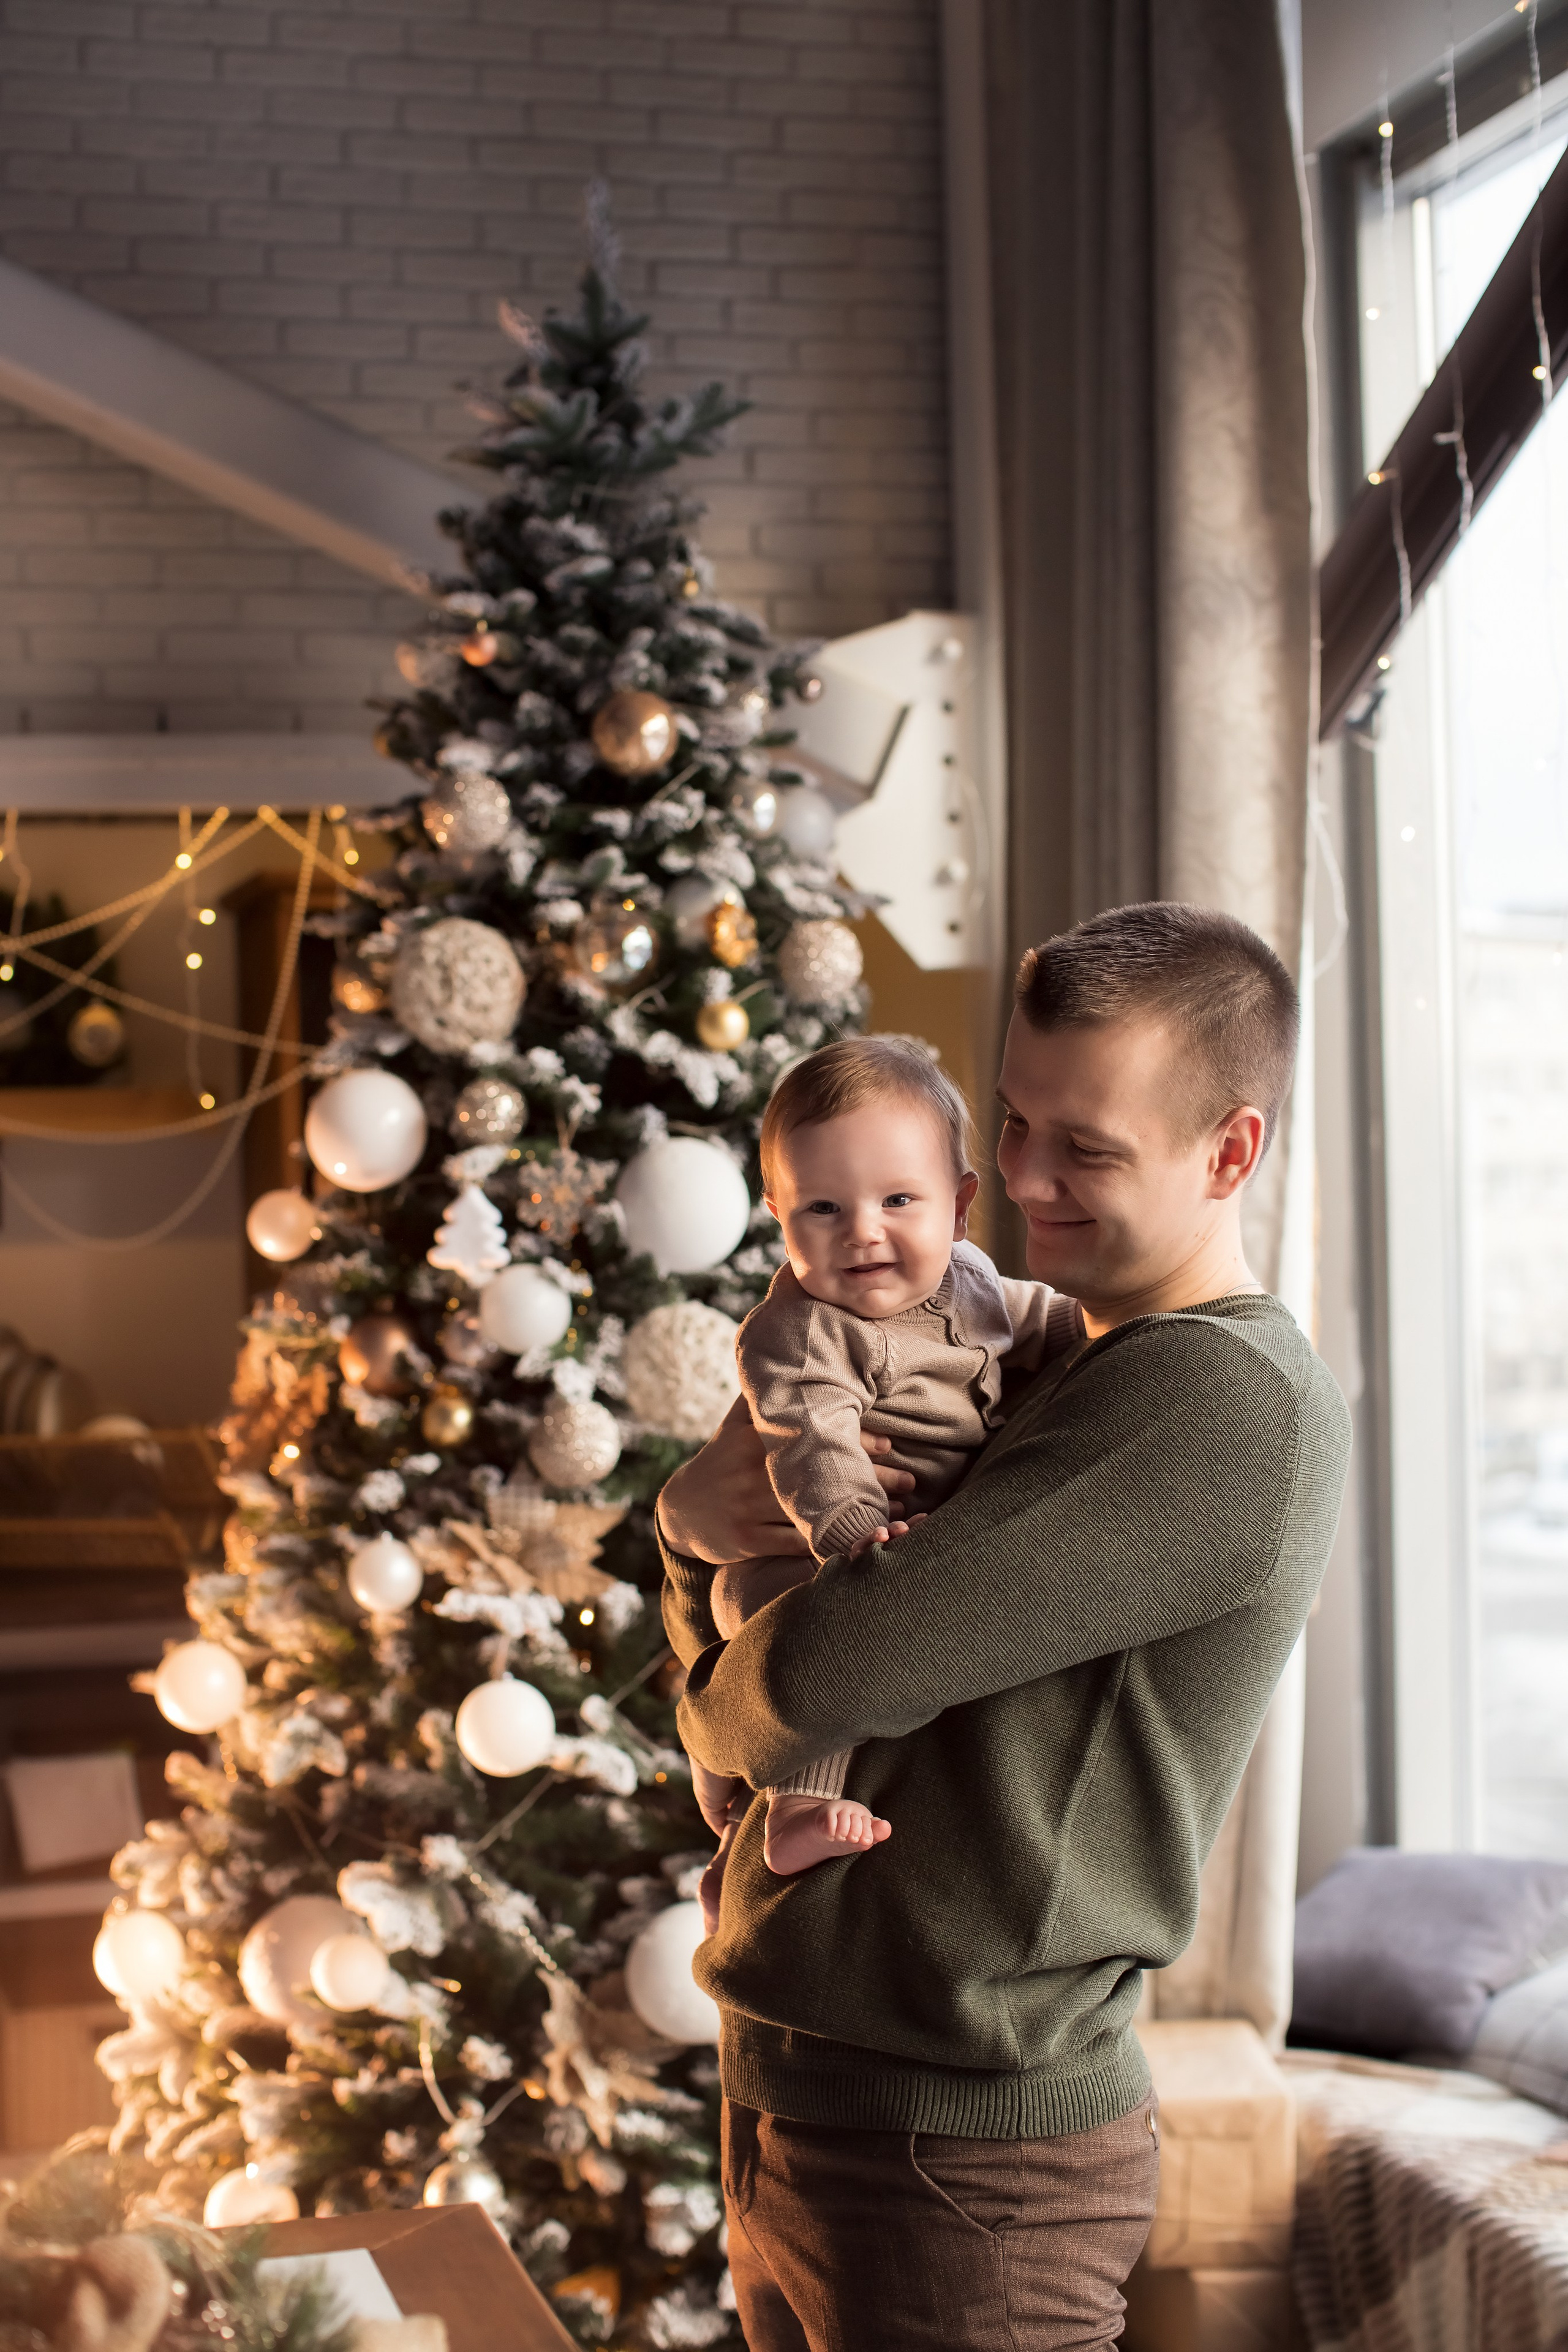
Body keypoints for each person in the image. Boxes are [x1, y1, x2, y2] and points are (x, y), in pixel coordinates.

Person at [657, 903, 1352, 2352]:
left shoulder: (1216, 1400)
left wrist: (718, 1688)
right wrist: (684, 1541)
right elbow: (748, 1721)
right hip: (799, 2088)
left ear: (1229, 1150)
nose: (1021, 1180)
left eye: (1084, 1148)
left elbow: (828, 1673)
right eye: (1018, 1123)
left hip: (963, 2151)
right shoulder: (1012, 1362)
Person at [693, 1035, 1081, 1899]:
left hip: (905, 1538)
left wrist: (1103, 1333)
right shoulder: (799, 1333)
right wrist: (858, 1536)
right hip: (802, 1559)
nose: (863, 1232)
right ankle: (793, 1813)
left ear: (960, 1205)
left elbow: (1039, 1319)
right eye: (822, 1210)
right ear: (778, 1214)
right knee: (819, 1644)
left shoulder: (969, 1280)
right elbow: (814, 1445)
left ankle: (727, 1868)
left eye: (898, 1199)